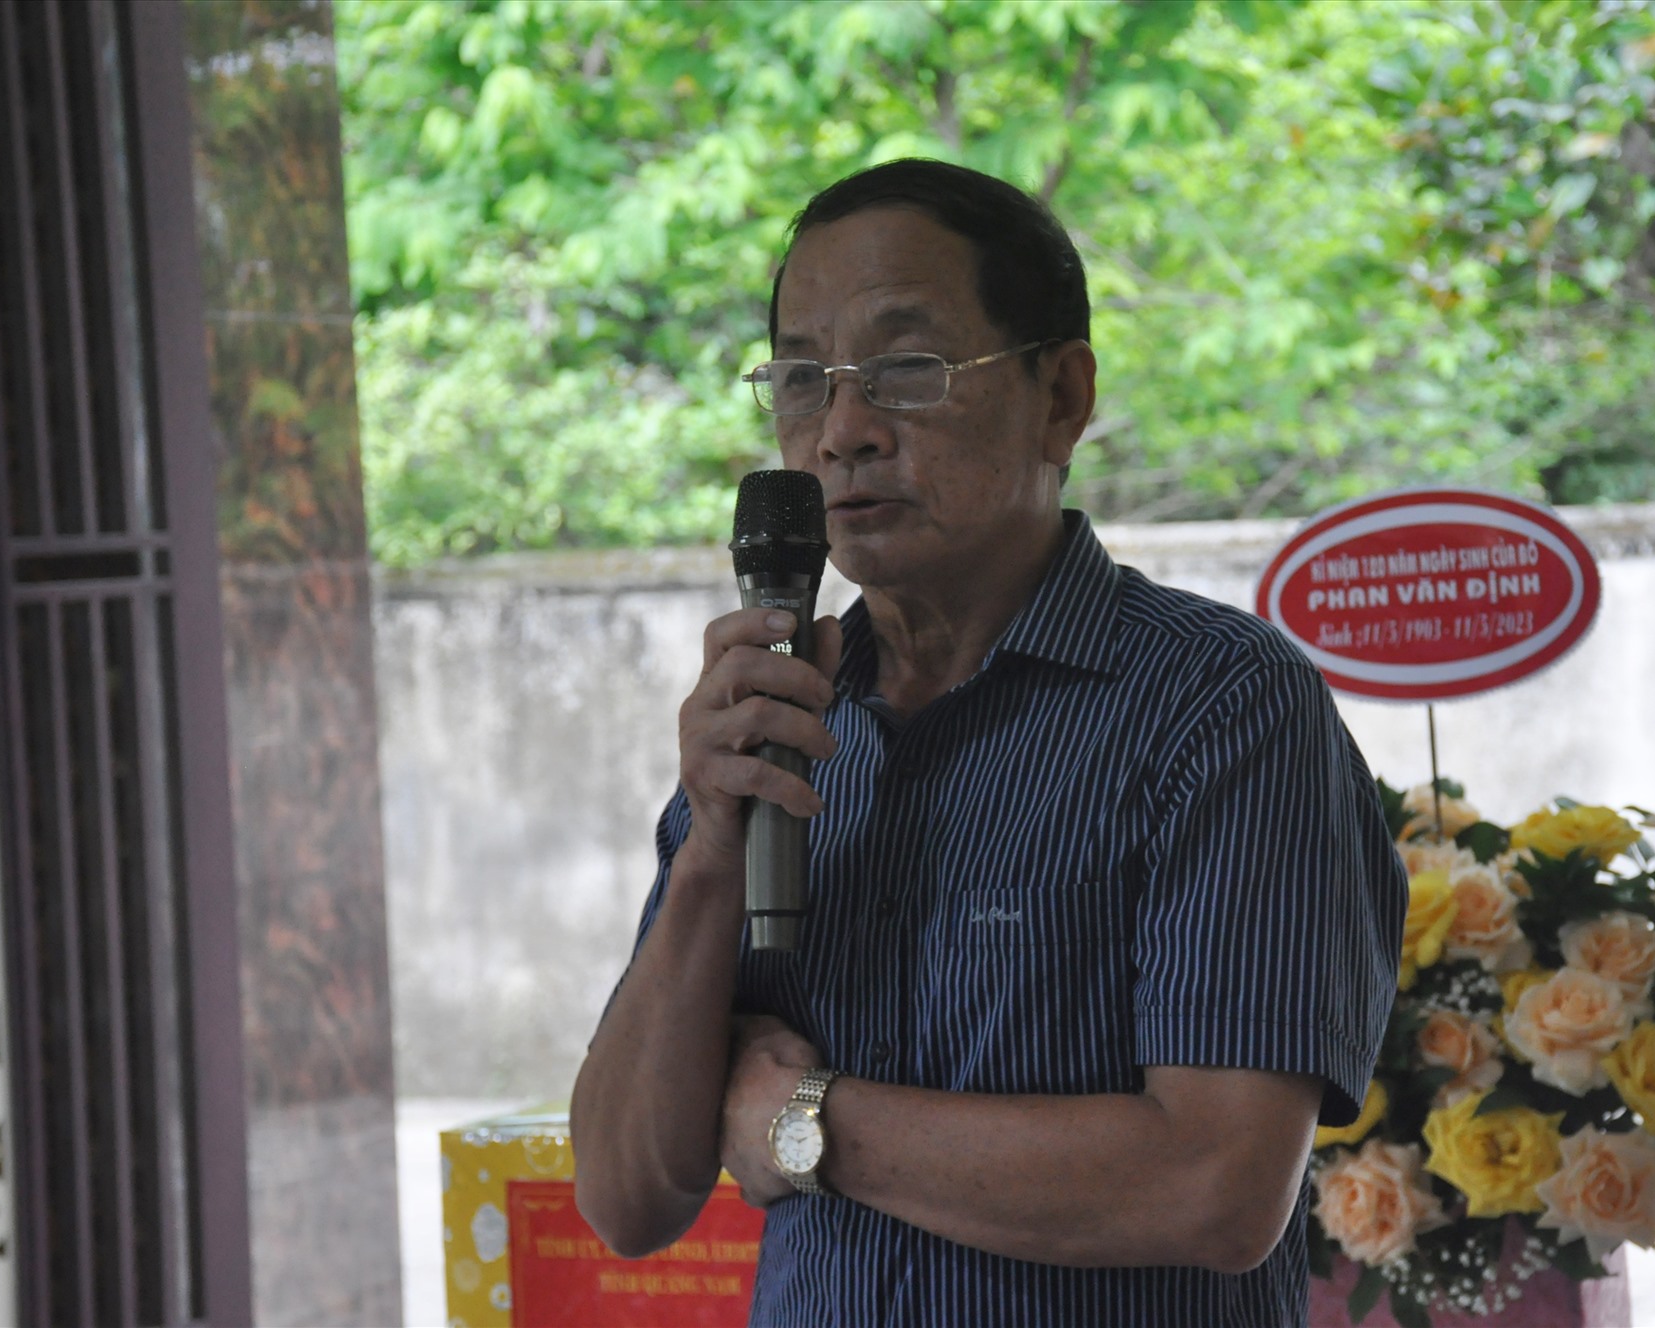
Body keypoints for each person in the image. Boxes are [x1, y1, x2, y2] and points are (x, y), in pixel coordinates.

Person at [569, 158, 1406, 1326]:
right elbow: (625, 1195)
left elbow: (1213, 1182)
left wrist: (800, 1119)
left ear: (1060, 396)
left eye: (906, 370)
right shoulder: (776, 717)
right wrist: (710, 844)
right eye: (802, 379)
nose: (843, 431)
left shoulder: (1218, 704)